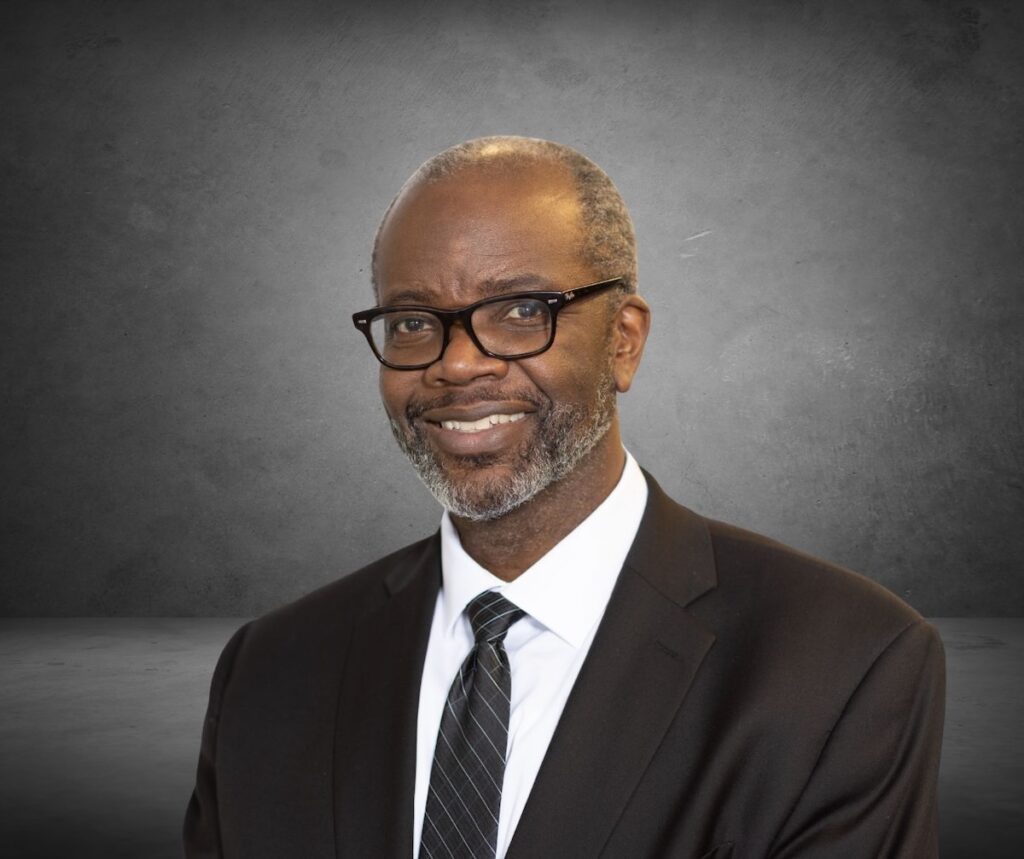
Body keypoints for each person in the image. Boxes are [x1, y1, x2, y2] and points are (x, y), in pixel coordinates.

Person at [183, 136, 945, 859]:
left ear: (623, 340)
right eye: (414, 321)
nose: (456, 365)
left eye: (520, 311)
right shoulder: (271, 670)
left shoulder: (844, 660)